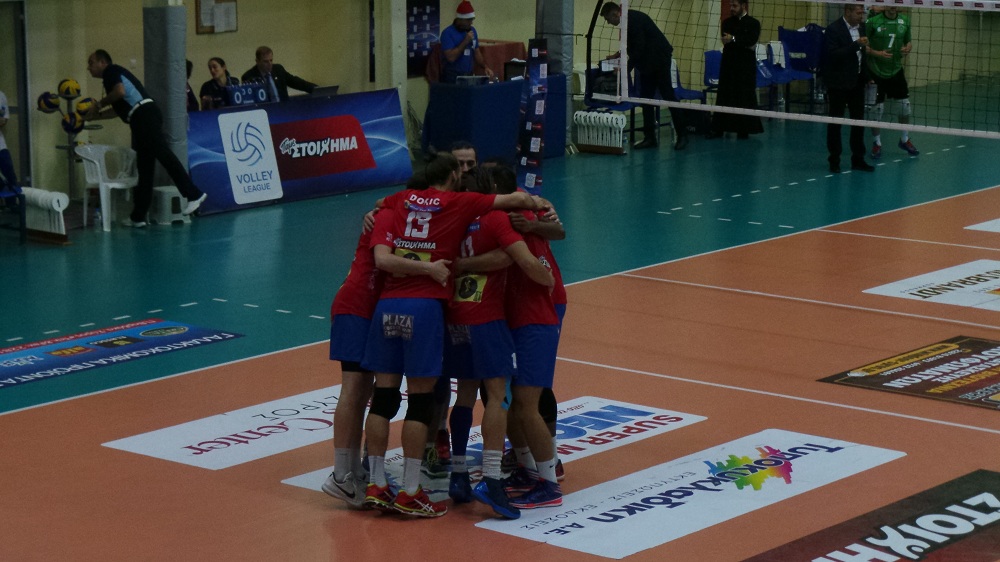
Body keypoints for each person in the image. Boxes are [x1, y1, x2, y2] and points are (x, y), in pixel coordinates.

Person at [360, 153, 543, 518]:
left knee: (383, 399)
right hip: (433, 309)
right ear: (452, 177)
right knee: (428, 401)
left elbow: (380, 206)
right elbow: (517, 210)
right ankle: (415, 490)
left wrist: (373, 211)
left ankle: (376, 483)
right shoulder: (460, 204)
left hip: (390, 306)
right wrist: (539, 206)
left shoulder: (399, 201)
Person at [83, 49, 207, 227]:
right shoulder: (111, 79)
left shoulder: (111, 71)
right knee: (145, 167)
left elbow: (119, 92)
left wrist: (98, 104)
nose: (89, 68)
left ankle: (194, 194)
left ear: (103, 62)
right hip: (140, 117)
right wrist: (94, 116)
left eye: (91, 63)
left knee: (163, 154)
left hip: (144, 115)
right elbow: (117, 110)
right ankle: (138, 216)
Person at [600, 2, 688, 151]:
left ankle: (682, 135)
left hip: (659, 59)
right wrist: (617, 55)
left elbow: (638, 48)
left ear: (615, 14)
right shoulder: (626, 21)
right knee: (645, 98)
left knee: (668, 96)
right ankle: (650, 138)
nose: (608, 23)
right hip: (647, 62)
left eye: (608, 19)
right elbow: (631, 45)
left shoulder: (632, 20)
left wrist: (624, 69)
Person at [822, 5, 874, 174]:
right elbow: (833, 55)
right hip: (838, 83)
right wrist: (855, 45)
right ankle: (834, 160)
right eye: (858, 13)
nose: (861, 16)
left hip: (857, 83)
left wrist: (867, 76)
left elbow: (862, 56)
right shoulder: (833, 29)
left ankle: (858, 159)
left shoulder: (862, 28)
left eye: (862, 13)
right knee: (835, 123)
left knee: (858, 122)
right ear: (848, 12)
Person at [866, 6, 919, 159]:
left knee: (904, 106)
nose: (893, 5)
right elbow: (864, 47)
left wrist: (907, 48)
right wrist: (877, 53)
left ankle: (904, 139)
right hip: (875, 70)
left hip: (896, 70)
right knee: (876, 109)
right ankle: (877, 142)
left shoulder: (905, 20)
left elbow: (908, 42)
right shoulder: (872, 22)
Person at [707, 0, 763, 140]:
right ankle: (719, 129)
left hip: (745, 67)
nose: (731, 8)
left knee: (744, 97)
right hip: (729, 65)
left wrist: (733, 38)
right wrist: (738, 41)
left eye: (735, 6)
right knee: (724, 96)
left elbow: (750, 41)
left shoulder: (754, 23)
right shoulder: (727, 22)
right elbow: (729, 41)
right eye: (731, 5)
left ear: (743, 6)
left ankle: (743, 130)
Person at [439, 1, 494, 84]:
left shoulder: (472, 31)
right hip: (452, 77)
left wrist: (485, 67)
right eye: (468, 20)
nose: (471, 23)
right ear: (460, 19)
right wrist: (465, 41)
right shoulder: (447, 33)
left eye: (472, 20)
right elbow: (451, 58)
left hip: (468, 75)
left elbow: (477, 52)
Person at [240, 46, 316, 102]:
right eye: (265, 61)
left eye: (271, 60)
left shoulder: (278, 70)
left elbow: (296, 82)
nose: (269, 64)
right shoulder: (249, 77)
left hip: (283, 108)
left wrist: (316, 89)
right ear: (257, 61)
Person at [0, 90, 19, 193]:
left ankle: (14, 201)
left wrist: (2, 121)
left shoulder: (1, 95)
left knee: (10, 176)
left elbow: (4, 119)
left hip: (1, 145)